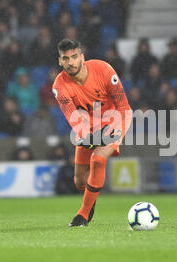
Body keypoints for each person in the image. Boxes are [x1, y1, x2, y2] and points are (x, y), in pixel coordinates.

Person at [52, 39, 132, 227]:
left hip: (115, 121)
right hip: (88, 128)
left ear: (82, 56)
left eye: (74, 57)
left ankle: (83, 215)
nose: (70, 62)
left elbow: (124, 106)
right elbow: (72, 117)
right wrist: (84, 135)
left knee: (98, 160)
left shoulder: (103, 70)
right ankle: (91, 197)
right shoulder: (59, 86)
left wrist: (116, 130)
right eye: (66, 58)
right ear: (60, 61)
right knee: (80, 181)